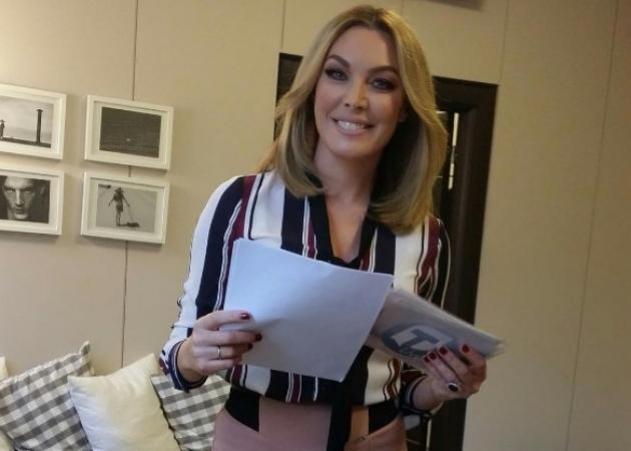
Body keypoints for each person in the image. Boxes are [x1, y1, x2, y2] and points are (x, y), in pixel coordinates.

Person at [161, 5, 488, 450]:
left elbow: (407, 386)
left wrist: (444, 385)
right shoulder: (239, 203)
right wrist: (194, 354)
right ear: (313, 86)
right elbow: (177, 356)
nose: (355, 98)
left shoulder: (427, 236)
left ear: (405, 107)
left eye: (382, 83)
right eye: (336, 74)